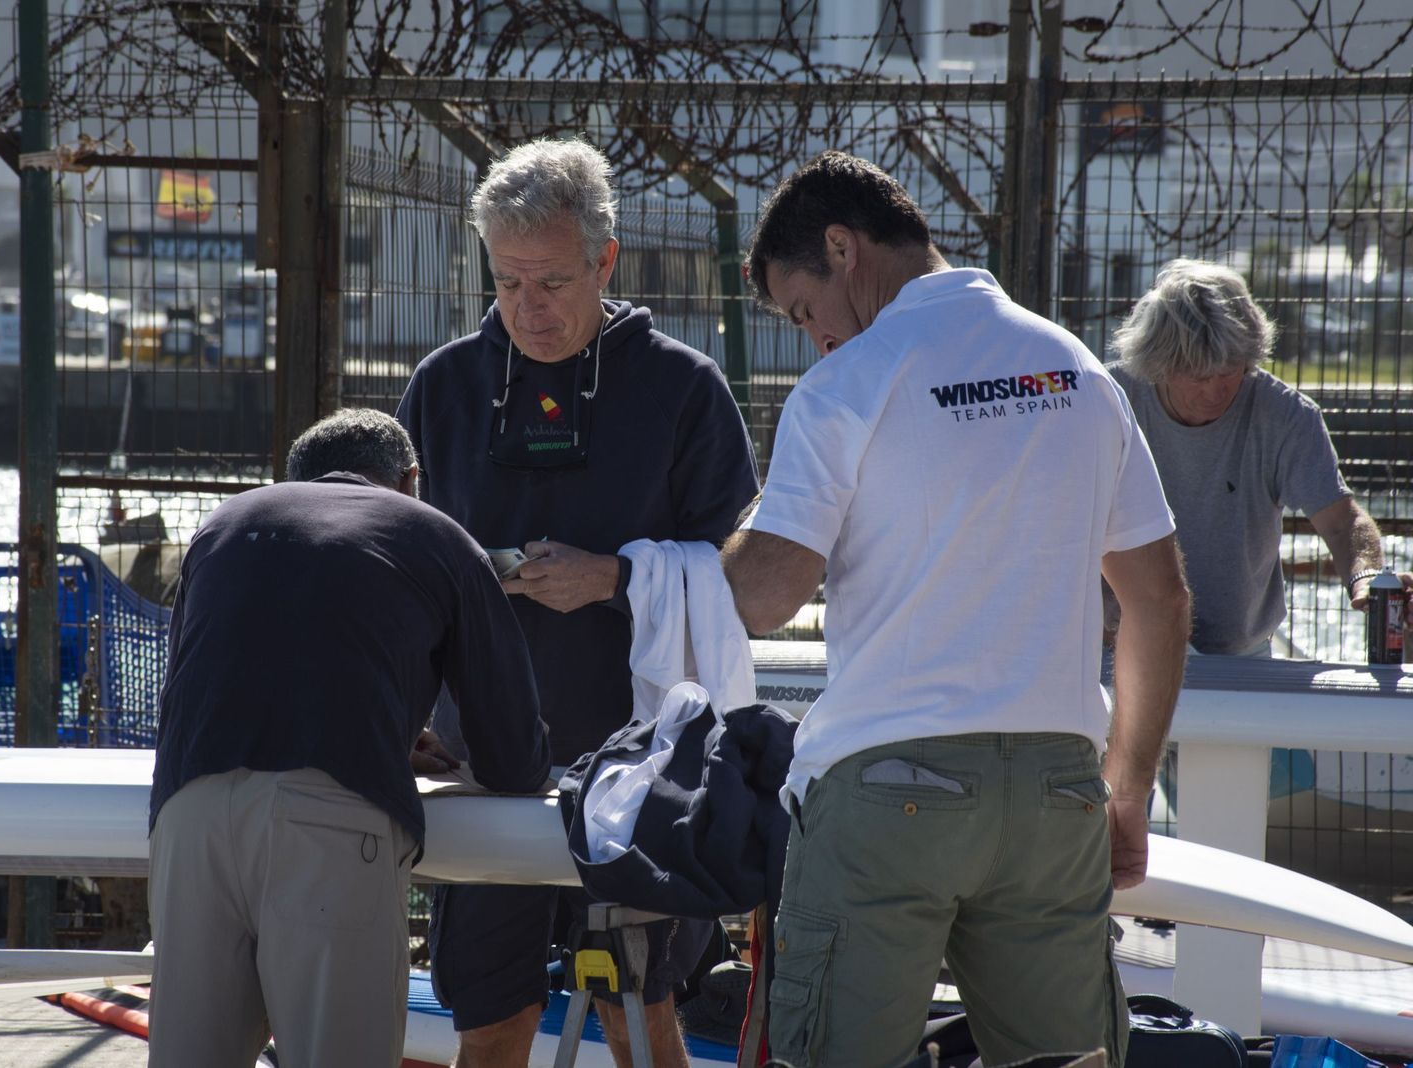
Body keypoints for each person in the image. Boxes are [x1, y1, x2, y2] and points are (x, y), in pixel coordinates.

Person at [719, 151, 1191, 1068]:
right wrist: (1128, 788)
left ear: (842, 247)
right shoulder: (1074, 369)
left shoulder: (848, 385)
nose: (815, 339)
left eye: (804, 311)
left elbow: (766, 595)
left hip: (886, 789)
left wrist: (676, 563)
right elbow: (1160, 601)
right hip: (1057, 793)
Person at [396, 137, 759, 1068]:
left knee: (638, 1013)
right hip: (482, 764)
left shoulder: (683, 386)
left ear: (606, 261)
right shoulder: (445, 384)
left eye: (553, 281)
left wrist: (617, 578)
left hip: (642, 766)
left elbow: (749, 580)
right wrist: (403, 708)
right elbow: (394, 574)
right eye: (508, 281)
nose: (529, 307)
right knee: (489, 1022)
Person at [147, 408, 551, 1068]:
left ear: (296, 479)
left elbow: (199, 686)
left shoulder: (223, 525)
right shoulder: (435, 534)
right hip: (330, 826)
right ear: (410, 478)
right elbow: (511, 755)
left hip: (186, 820)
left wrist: (383, 728)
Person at [1106, 258, 1413, 657]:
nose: (1216, 391)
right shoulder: (1107, 401)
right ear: (1157, 367)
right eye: (1199, 376)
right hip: (1117, 644)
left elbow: (1342, 523)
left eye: (1230, 372)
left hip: (1241, 652)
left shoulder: (1286, 416)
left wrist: (1366, 576)